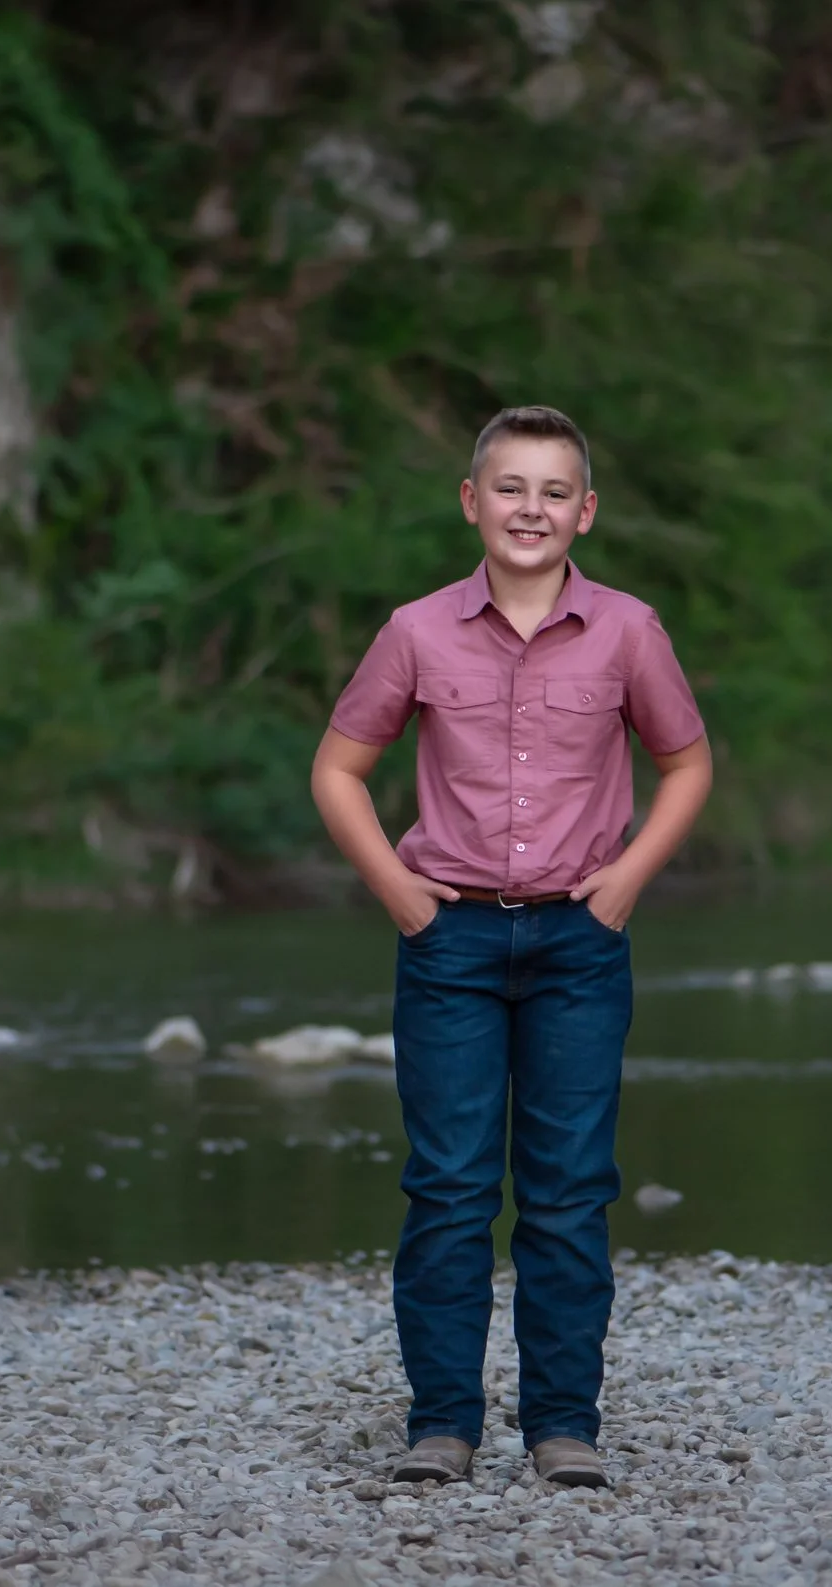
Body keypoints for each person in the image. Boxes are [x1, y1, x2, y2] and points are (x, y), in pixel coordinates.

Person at [309, 405, 713, 1490]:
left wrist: (624, 883)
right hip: (448, 941)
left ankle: (561, 1425)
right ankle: (440, 1423)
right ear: (472, 501)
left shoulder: (629, 629)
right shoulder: (415, 630)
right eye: (510, 487)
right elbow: (336, 769)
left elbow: (688, 765)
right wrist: (399, 893)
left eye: (552, 491)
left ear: (583, 511)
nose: (529, 508)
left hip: (580, 943)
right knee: (446, 1184)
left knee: (571, 1186)